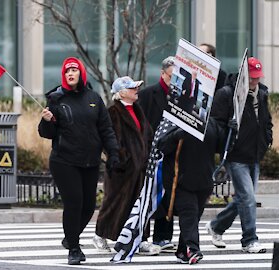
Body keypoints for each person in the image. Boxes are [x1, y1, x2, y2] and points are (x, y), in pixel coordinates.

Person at [38, 57, 120, 265]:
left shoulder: (94, 98)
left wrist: (113, 153)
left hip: (90, 161)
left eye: (74, 70)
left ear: (81, 73)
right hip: (64, 160)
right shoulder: (56, 99)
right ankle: (74, 249)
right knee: (74, 203)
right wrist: (46, 121)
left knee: (88, 206)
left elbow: (106, 129)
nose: (70, 73)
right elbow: (47, 133)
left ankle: (70, 236)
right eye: (67, 71)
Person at [205, 57, 273, 253]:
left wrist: (267, 138)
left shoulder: (262, 93)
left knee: (244, 198)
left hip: (255, 153)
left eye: (257, 77)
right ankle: (250, 240)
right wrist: (229, 129)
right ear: (244, 75)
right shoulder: (227, 94)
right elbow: (216, 123)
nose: (255, 81)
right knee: (248, 198)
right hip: (236, 154)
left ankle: (216, 226)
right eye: (251, 78)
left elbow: (266, 119)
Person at [92, 76, 153, 253]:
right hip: (121, 169)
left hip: (139, 168)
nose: (136, 90)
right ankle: (100, 235)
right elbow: (110, 139)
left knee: (140, 204)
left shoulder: (138, 110)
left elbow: (147, 135)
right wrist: (121, 159)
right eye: (133, 88)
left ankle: (140, 238)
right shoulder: (113, 112)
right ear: (122, 92)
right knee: (114, 203)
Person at [157, 118, 226, 264]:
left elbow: (222, 147)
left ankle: (183, 251)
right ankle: (193, 249)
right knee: (189, 213)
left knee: (194, 217)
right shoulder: (175, 120)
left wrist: (231, 133)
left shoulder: (211, 123)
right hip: (180, 180)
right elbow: (161, 145)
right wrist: (177, 134)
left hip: (204, 179)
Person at [136, 56, 176, 255]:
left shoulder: (181, 96)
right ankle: (143, 236)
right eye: (171, 76)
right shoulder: (148, 94)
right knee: (149, 194)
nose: (175, 81)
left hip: (173, 152)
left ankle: (164, 236)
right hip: (151, 152)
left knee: (169, 193)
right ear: (163, 73)